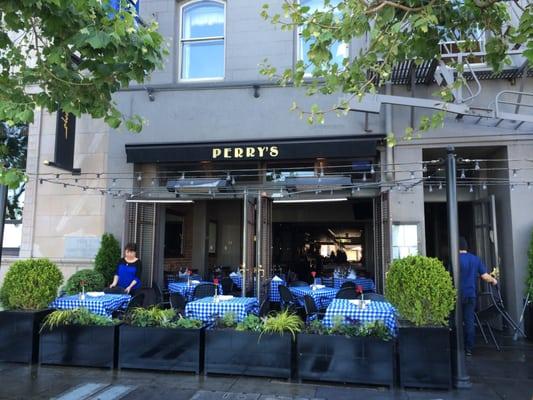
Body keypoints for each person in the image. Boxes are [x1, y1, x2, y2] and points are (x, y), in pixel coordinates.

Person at [459, 237, 497, 356]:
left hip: (457, 295)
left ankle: (456, 346)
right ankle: (468, 349)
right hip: (471, 294)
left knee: (456, 321)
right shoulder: (475, 259)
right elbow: (485, 276)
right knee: (469, 320)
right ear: (466, 247)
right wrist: (494, 280)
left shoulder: (454, 259)